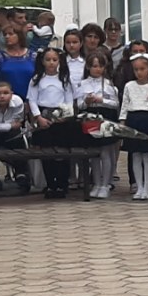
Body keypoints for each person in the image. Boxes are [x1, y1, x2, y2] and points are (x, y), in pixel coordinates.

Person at [27, 46, 76, 199]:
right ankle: (50, 184)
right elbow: (32, 100)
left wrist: (65, 115)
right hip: (43, 115)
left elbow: (69, 100)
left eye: (54, 60)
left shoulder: (65, 79)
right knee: (47, 152)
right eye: (48, 60)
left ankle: (62, 184)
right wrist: (38, 117)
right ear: (42, 61)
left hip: (61, 117)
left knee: (61, 152)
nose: (51, 63)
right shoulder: (36, 79)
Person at [75, 49, 120, 198]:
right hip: (90, 117)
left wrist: (102, 100)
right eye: (94, 66)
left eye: (101, 66)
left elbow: (115, 104)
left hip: (106, 116)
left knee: (106, 151)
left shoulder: (109, 84)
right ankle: (96, 183)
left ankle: (105, 184)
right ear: (88, 67)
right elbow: (79, 105)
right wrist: (86, 101)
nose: (98, 69)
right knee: (94, 153)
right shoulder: (82, 84)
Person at [118, 53, 148, 202]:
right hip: (133, 120)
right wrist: (123, 125)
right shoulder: (129, 86)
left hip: (147, 121)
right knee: (135, 155)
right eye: (136, 69)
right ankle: (139, 186)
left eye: (142, 69)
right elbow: (124, 106)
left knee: (147, 156)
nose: (139, 72)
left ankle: (147, 186)